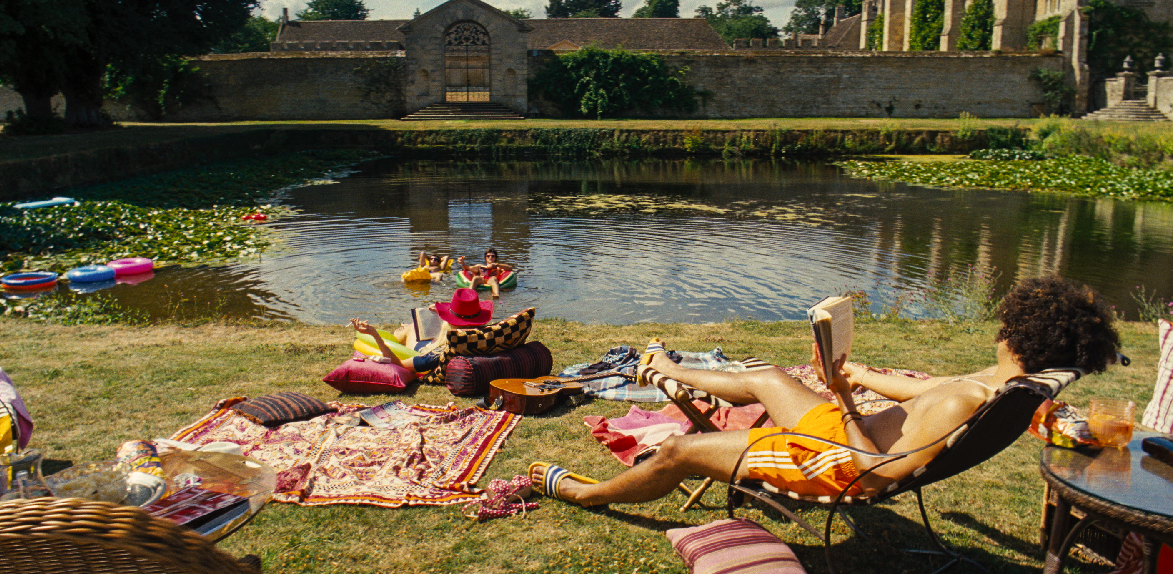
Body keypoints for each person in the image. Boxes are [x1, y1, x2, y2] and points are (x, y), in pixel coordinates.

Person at [529, 275, 1121, 506]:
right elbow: (928, 390)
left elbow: (877, 472)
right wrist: (857, 376)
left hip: (839, 463)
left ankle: (586, 495)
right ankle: (666, 366)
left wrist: (839, 394)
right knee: (767, 377)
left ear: (1017, 331)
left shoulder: (966, 399)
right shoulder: (1006, 386)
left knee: (680, 453)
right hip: (846, 437)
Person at [350, 288, 493, 374]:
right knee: (420, 323)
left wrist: (374, 334)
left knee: (411, 327)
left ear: (450, 323)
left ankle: (403, 329)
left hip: (424, 347)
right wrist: (441, 312)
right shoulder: (490, 336)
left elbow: (398, 363)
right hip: (445, 336)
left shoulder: (438, 354)